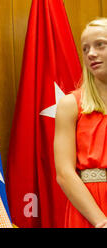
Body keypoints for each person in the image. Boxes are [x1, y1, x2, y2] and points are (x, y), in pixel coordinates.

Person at [54, 18, 107, 228]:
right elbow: (64, 173)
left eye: (100, 45)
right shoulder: (71, 105)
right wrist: (101, 222)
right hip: (89, 211)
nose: (91, 53)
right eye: (85, 49)